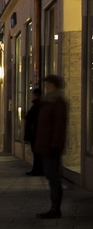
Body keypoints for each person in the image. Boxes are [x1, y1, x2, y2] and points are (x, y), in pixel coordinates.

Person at [35, 75, 68, 218]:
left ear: (55, 86)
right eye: (46, 84)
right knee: (50, 176)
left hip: (51, 147)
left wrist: (55, 146)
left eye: (49, 84)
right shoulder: (47, 101)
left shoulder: (58, 102)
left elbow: (59, 127)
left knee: (53, 177)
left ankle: (55, 209)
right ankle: (54, 207)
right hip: (44, 145)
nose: (46, 86)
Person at [23, 88, 43, 174]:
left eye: (34, 94)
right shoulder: (37, 105)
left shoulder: (38, 105)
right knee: (36, 153)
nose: (33, 96)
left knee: (37, 152)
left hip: (35, 133)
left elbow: (35, 119)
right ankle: (36, 169)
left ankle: (38, 170)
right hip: (34, 133)